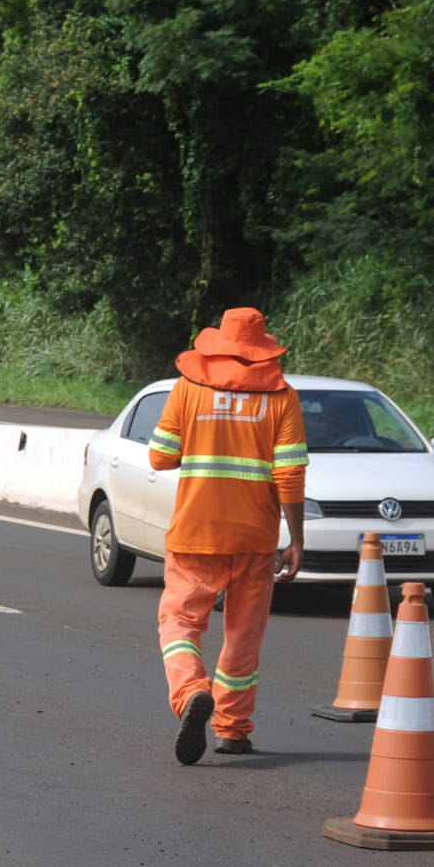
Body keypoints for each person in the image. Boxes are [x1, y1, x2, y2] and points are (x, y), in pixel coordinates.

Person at [148, 307, 308, 763]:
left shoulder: (188, 388)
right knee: (242, 635)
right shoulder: (282, 398)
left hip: (196, 533)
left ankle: (191, 693)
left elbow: (160, 456)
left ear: (218, 344)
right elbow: (290, 474)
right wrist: (294, 539)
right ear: (262, 350)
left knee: (179, 622)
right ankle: (232, 730)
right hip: (255, 537)